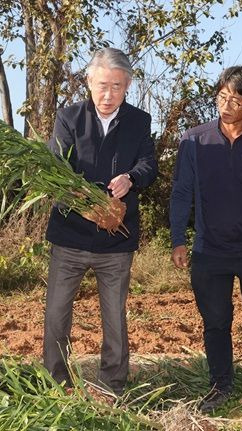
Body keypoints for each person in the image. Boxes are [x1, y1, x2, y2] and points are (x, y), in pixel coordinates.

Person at [170, 66, 242, 412]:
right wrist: (179, 239)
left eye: (236, 99)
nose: (226, 104)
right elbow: (182, 193)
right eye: (222, 96)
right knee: (216, 321)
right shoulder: (194, 140)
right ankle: (220, 385)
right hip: (210, 250)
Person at [42, 47, 158, 396]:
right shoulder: (70, 117)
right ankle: (56, 384)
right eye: (102, 85)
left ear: (128, 86)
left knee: (114, 319)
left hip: (116, 243)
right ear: (89, 82)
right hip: (70, 236)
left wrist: (131, 179)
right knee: (57, 316)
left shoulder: (139, 121)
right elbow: (54, 166)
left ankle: (112, 387)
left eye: (117, 87)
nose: (109, 95)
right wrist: (83, 198)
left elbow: (149, 165)